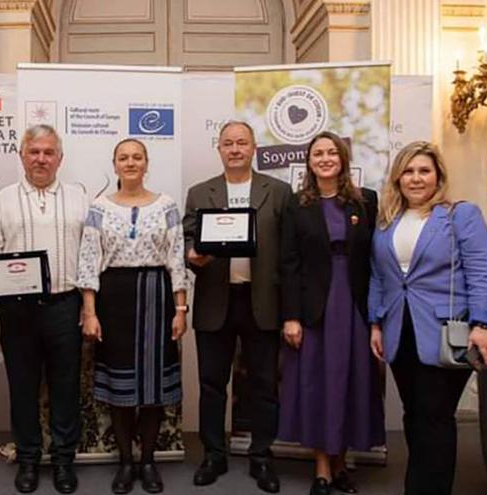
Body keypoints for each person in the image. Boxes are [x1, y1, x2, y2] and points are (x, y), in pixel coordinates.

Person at [368, 141, 487, 495]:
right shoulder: (387, 220)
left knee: (436, 417)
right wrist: (376, 323)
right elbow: (380, 276)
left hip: (445, 332)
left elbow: (480, 271)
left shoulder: (460, 215)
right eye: (408, 171)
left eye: (424, 170)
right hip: (399, 329)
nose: (415, 178)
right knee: (413, 414)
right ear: (397, 178)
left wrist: (483, 325)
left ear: (438, 175)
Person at [0, 125, 89, 494]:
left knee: (65, 386)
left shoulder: (78, 197)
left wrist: (89, 306)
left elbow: (91, 252)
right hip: (17, 309)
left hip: (64, 304)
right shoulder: (4, 198)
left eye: (48, 152)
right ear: (22, 155)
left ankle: (63, 460)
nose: (41, 159)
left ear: (60, 158)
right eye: (34, 151)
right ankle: (27, 458)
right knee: (22, 385)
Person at [182, 121, 291, 493]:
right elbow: (187, 240)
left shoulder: (278, 191)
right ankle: (214, 455)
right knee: (212, 385)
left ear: (254, 148)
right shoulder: (199, 193)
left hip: (262, 302)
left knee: (263, 385)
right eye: (227, 143)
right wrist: (192, 255)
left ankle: (262, 457)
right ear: (219, 149)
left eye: (241, 143)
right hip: (216, 300)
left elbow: (289, 251)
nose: (235, 149)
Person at [77, 139, 188, 494]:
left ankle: (149, 462)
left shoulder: (167, 204)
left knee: (152, 388)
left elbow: (176, 260)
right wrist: (90, 312)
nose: (130, 162)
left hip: (158, 297)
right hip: (114, 298)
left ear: (146, 163)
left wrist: (181, 308)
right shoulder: (99, 207)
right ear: (115, 165)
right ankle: (126, 463)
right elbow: (89, 260)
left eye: (136, 157)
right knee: (121, 388)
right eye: (123, 157)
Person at [277, 132, 385, 495]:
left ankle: (342, 464)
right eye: (317, 153)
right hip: (314, 310)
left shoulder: (366, 201)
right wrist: (291, 316)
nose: (325, 158)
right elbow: (288, 264)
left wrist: (376, 318)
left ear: (343, 159)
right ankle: (322, 468)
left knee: (351, 382)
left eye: (331, 152)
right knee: (317, 384)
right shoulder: (296, 205)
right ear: (309, 162)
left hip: (355, 305)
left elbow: (375, 260)